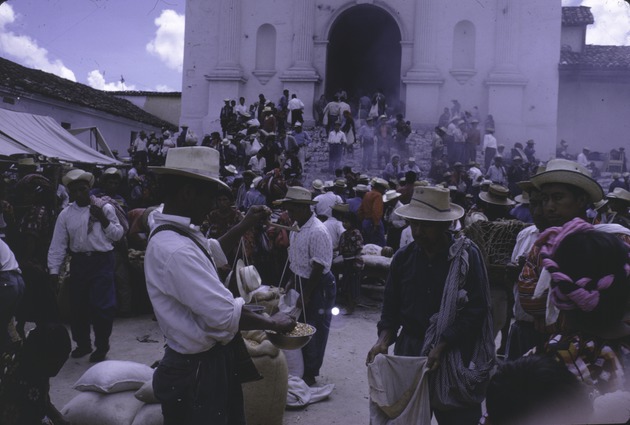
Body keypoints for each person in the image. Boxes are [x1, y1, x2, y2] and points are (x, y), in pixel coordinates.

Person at [145, 146, 295, 425]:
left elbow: (210, 250)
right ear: (188, 194)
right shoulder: (176, 250)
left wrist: (246, 223)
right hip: (197, 370)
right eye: (210, 196)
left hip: (201, 363)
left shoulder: (174, 229)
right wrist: (274, 323)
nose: (214, 205)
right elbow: (226, 316)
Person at [366, 185, 494, 425]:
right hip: (410, 350)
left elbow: (477, 310)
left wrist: (443, 343)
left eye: (426, 225)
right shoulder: (403, 259)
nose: (418, 231)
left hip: (454, 354)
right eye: (414, 224)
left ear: (445, 225)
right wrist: (382, 341)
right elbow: (390, 311)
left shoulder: (466, 257)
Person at [48, 169, 124, 363]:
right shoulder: (65, 215)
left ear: (89, 189)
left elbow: (118, 234)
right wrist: (54, 271)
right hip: (80, 262)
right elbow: (58, 245)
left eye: (83, 190)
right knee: (78, 306)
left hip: (102, 261)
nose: (79, 194)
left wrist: (104, 219)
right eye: (75, 191)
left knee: (103, 307)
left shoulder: (104, 208)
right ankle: (83, 344)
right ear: (70, 193)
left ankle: (102, 345)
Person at [277, 186, 335, 387]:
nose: (290, 214)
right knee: (299, 326)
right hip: (302, 280)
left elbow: (318, 265)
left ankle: (311, 372)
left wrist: (307, 293)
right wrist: (292, 280)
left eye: (292, 210)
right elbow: (296, 257)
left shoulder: (318, 230)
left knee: (314, 328)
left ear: (304, 208)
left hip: (318, 285)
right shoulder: (296, 227)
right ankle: (302, 368)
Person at [358, 178, 388, 246]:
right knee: (379, 243)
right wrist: (376, 224)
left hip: (365, 221)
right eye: (383, 188)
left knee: (367, 243)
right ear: (379, 187)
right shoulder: (378, 195)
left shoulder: (367, 194)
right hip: (373, 222)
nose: (384, 191)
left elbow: (360, 210)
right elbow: (376, 211)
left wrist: (362, 221)